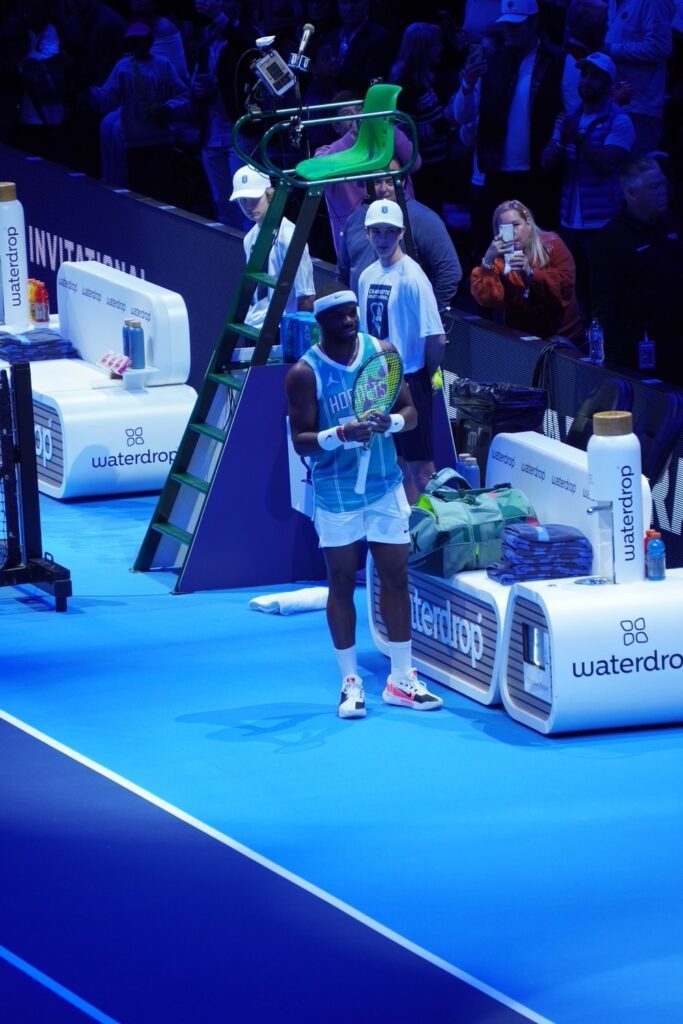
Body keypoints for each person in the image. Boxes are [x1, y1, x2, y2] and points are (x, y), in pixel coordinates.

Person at [285, 286, 444, 718]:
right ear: (322, 324)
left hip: (385, 486)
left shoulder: (383, 353)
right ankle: (350, 682)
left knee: (395, 577)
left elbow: (410, 412)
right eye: (339, 315)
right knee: (340, 581)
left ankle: (401, 679)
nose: (350, 320)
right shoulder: (305, 373)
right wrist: (340, 434)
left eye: (352, 311)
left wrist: (388, 422)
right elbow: (301, 442)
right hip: (336, 493)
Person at [450, 0, 568, 253]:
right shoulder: (491, 60)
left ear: (535, 23)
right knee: (505, 245)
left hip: (538, 175)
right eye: (507, 26)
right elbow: (463, 116)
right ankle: (504, 289)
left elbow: (571, 111)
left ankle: (538, 290)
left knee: (538, 246)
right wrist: (467, 85)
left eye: (517, 26)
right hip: (498, 174)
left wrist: (557, 141)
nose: (510, 32)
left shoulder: (559, 61)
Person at [358, 199, 447, 504]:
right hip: (378, 383)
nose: (383, 239)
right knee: (394, 464)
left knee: (422, 468)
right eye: (377, 232)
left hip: (410, 378)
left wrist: (425, 376)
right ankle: (405, 536)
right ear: (367, 233)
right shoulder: (366, 276)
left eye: (389, 232)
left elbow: (436, 338)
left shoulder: (412, 277)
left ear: (401, 233)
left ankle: (433, 535)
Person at [541, 51, 635, 314]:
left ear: (609, 85)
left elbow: (607, 163)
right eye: (584, 74)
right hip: (570, 221)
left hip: (602, 224)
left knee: (603, 292)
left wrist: (578, 139)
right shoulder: (570, 118)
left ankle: (606, 348)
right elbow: (546, 162)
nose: (587, 81)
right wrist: (561, 141)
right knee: (573, 291)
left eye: (596, 77)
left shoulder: (619, 121)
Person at [590, 155, 683, 384]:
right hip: (641, 351)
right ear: (632, 193)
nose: (664, 190)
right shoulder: (611, 240)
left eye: (663, 183)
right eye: (654, 186)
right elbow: (605, 308)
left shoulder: (673, 224)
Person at [337, 159, 462, 310]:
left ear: (402, 182)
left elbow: (449, 271)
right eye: (377, 182)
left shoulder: (424, 219)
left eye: (390, 181)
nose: (383, 189)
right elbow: (343, 274)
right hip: (363, 323)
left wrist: (428, 314)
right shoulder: (354, 220)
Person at [470, 198, 584, 342]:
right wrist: (487, 263)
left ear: (528, 223)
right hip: (523, 341)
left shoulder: (552, 245)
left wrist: (531, 273)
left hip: (565, 338)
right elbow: (488, 300)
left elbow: (565, 287)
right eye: (505, 229)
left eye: (516, 225)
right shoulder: (499, 261)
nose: (512, 233)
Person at [230, 165, 315, 328]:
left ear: (269, 195)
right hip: (252, 324)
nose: (248, 206)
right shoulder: (249, 239)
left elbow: (306, 296)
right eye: (243, 201)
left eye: (254, 199)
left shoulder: (290, 236)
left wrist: (298, 335)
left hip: (281, 327)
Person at [603, 0, 675, 155]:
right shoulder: (611, 3)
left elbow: (660, 47)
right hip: (611, 101)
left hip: (639, 107)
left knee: (636, 174)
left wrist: (611, 50)